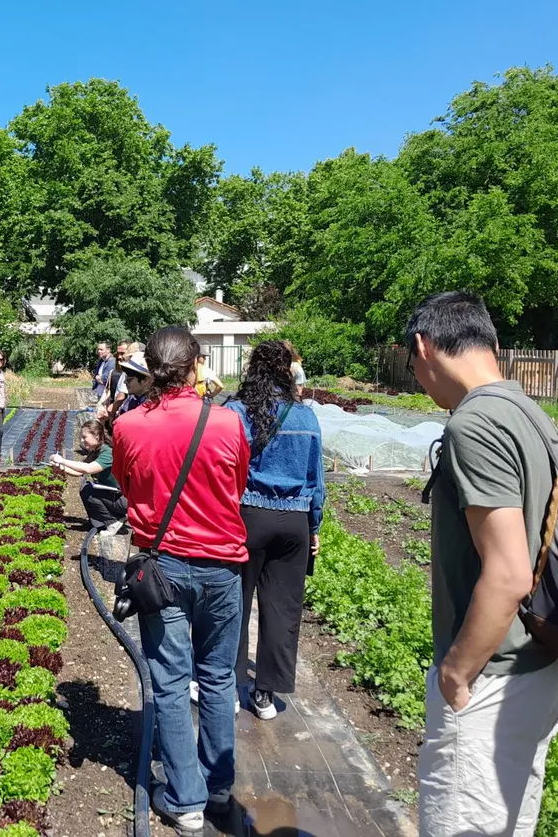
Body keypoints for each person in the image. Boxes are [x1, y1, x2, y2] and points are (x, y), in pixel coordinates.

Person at [406, 292, 558, 837]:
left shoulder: (473, 425)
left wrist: (456, 672)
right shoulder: (528, 410)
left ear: (424, 348)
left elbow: (508, 572)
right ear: (493, 344)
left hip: (491, 679)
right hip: (539, 666)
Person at [112, 327, 250, 835]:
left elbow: (127, 488)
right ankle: (217, 784)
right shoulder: (228, 423)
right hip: (222, 567)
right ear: (196, 366)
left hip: (163, 567)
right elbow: (235, 486)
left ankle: (185, 799)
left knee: (170, 681)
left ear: (149, 368)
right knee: (216, 676)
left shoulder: (128, 427)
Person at [224, 341, 325, 721]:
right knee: (283, 609)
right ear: (288, 373)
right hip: (294, 523)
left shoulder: (237, 412)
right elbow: (316, 480)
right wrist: (313, 525)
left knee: (234, 603)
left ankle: (229, 688)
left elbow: (224, 468)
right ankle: (265, 694)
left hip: (248, 517)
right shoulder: (307, 418)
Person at [50, 419, 127, 537]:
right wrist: (61, 468)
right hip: (113, 496)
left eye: (85, 437)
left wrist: (63, 460)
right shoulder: (96, 451)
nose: (82, 440)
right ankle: (101, 522)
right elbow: (79, 472)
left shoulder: (107, 453)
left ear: (97, 435)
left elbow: (88, 469)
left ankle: (112, 522)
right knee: (86, 488)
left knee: (88, 491)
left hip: (123, 500)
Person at [97, 340, 128, 420]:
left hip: (124, 412)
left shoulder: (131, 374)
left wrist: (112, 408)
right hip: (116, 410)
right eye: (118, 354)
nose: (119, 357)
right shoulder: (118, 372)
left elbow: (121, 396)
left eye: (122, 353)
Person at [115, 350, 151, 416]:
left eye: (129, 378)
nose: (125, 381)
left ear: (146, 381)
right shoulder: (133, 398)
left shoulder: (149, 407)